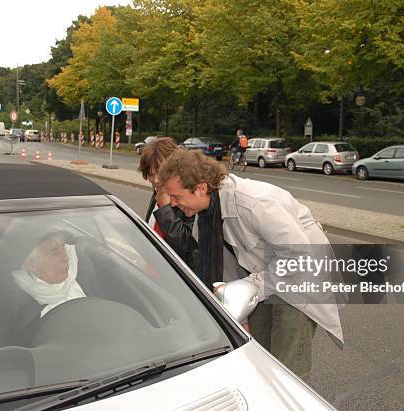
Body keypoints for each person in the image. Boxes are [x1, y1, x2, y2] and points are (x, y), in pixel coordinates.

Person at [158, 149, 343, 381]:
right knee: (260, 353)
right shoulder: (207, 216)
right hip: (268, 276)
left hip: (300, 279)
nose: (173, 205)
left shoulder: (253, 203)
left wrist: (250, 285)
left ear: (202, 187)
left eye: (176, 197)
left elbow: (299, 255)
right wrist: (238, 310)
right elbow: (225, 269)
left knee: (288, 365)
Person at [138, 137, 198, 270]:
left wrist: (165, 209)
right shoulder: (159, 191)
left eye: (159, 173)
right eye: (150, 175)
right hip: (155, 269)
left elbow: (187, 246)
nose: (156, 180)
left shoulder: (189, 196)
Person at [12, 234, 86, 318]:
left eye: (63, 248)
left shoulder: (82, 272)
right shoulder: (26, 310)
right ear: (31, 265)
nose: (66, 257)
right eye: (55, 253)